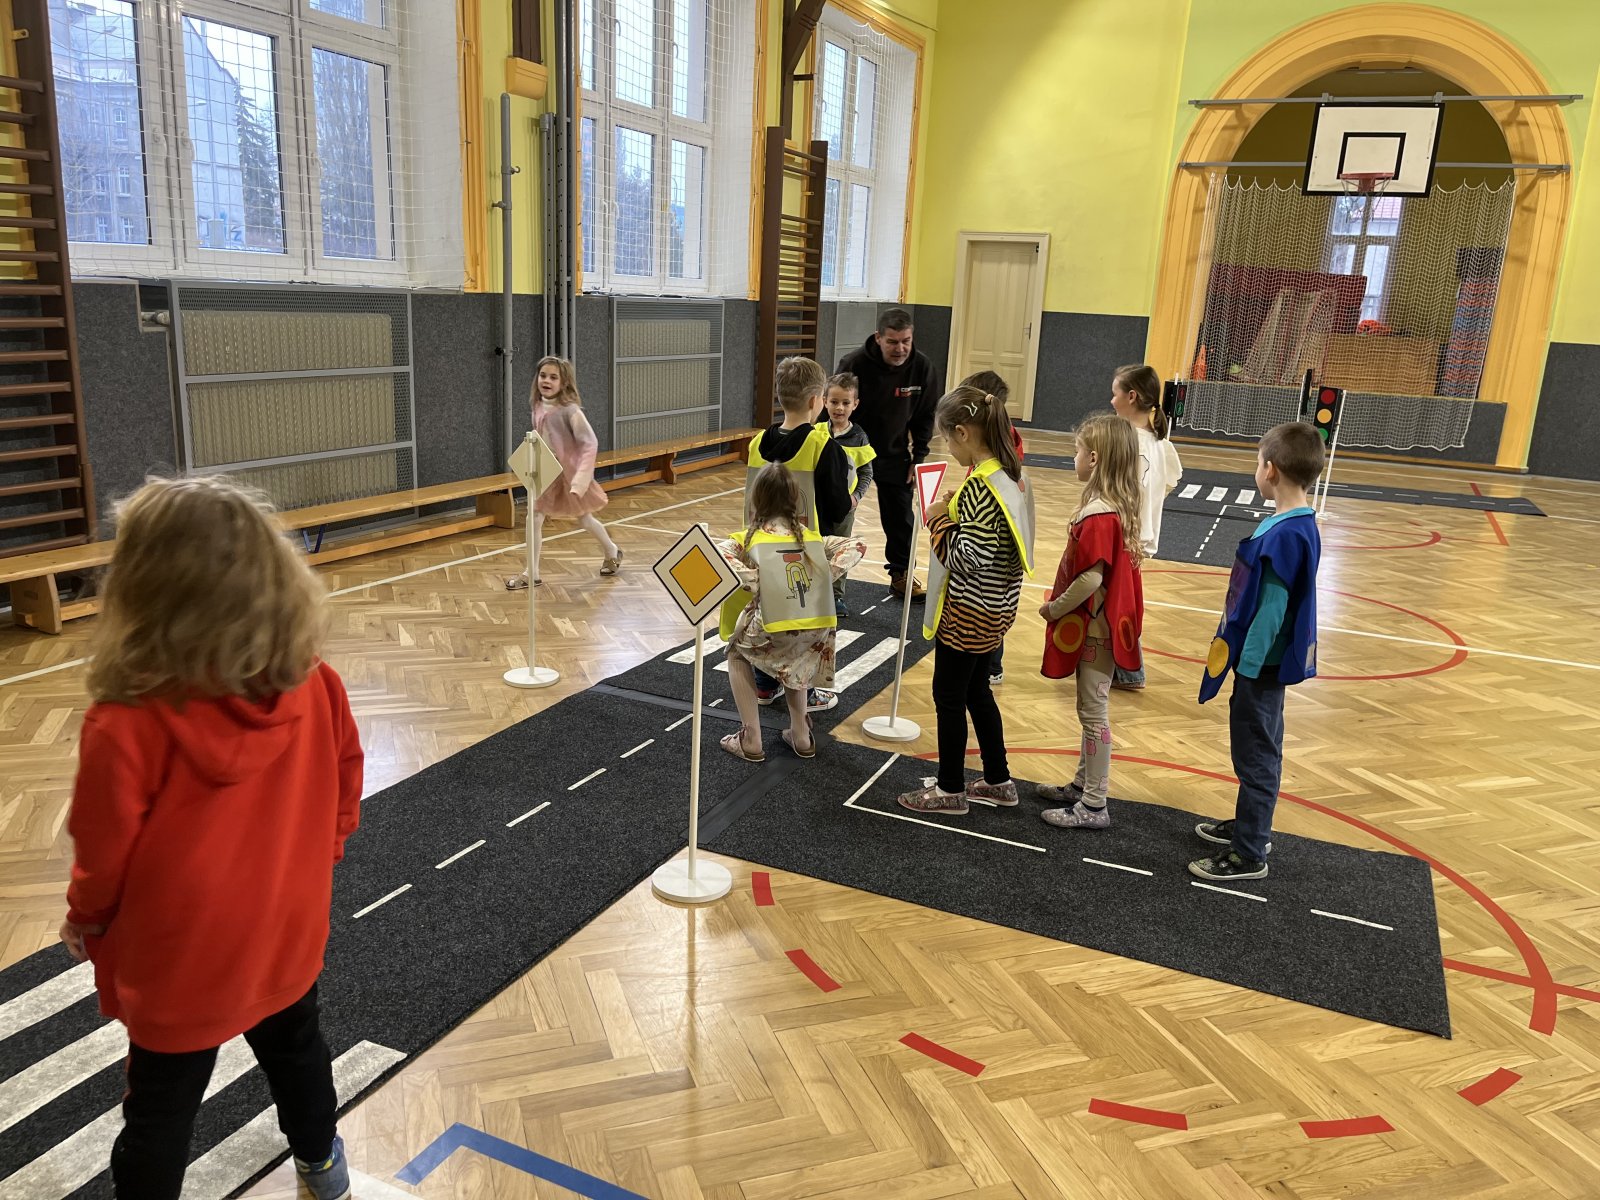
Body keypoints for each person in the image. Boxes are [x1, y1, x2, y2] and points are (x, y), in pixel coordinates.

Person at [58, 476, 364, 1200]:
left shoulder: (126, 721)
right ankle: (324, 1171)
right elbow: (346, 782)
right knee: (299, 1052)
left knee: (161, 1107)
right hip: (286, 925)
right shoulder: (315, 681)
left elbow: (102, 852)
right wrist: (317, 862)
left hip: (182, 957)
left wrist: (85, 918)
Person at [1190, 421, 1324, 881]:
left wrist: (1246, 668)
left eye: (1256, 463)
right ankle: (1252, 825)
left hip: (1260, 665)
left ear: (1270, 471)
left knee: (1256, 754)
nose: (1256, 471)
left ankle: (1249, 852)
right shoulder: (1295, 523)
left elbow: (1272, 609)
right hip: (1262, 662)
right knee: (1260, 748)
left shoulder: (1287, 534)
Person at [897, 386, 1031, 816]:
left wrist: (938, 521)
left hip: (969, 611)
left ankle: (950, 789)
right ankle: (998, 779)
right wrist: (956, 507)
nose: (948, 447)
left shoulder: (979, 487)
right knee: (976, 691)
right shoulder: (1007, 475)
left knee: (949, 697)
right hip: (996, 608)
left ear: (963, 433)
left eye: (947, 439)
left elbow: (968, 558)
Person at [1035, 415, 1144, 829]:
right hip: (1102, 631)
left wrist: (1055, 608)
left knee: (1094, 714)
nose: (1075, 458)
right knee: (1089, 710)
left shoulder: (1099, 515)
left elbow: (1090, 579)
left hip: (1097, 633)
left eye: (1078, 451)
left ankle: (1094, 805)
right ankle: (1083, 786)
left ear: (1094, 458)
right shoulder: (1115, 508)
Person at [716, 463, 865, 762]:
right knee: (798, 661)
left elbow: (719, 551)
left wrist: (758, 581)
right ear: (795, 498)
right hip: (817, 626)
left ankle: (751, 738)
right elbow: (857, 545)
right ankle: (801, 734)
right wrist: (822, 576)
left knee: (736, 652)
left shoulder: (751, 538)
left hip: (773, 625)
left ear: (757, 498)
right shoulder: (811, 537)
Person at [738, 356, 854, 713]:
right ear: (816, 400)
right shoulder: (823, 447)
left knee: (767, 616)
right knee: (803, 627)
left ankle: (763, 685)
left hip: (760, 546)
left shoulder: (757, 442)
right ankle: (807, 691)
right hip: (803, 553)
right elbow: (837, 508)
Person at [837, 307, 942, 600]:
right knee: (837, 514)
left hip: (894, 453)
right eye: (893, 342)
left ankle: (901, 574)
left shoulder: (922, 368)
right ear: (878, 338)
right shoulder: (853, 365)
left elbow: (925, 416)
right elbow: (833, 407)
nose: (900, 349)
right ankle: (830, 581)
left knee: (900, 516)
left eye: (906, 341)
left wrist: (918, 457)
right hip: (852, 450)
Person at [505, 356, 622, 590]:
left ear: (564, 382)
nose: (546, 381)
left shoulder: (570, 411)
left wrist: (580, 479)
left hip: (570, 474)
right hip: (546, 470)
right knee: (534, 517)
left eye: (553, 377)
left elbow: (589, 443)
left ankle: (611, 550)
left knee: (584, 519)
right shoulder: (538, 404)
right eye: (543, 376)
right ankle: (531, 573)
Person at [1109, 364, 1182, 691]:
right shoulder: (1159, 442)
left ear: (1131, 396)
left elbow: (1120, 492)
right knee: (1121, 601)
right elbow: (1169, 482)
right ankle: (1117, 666)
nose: (1111, 401)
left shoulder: (1129, 442)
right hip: (1137, 536)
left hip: (1123, 536)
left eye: (1115, 394)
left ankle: (1129, 671)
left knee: (1119, 603)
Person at [959, 369, 1028, 685]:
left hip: (990, 556)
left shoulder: (996, 453)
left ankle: (989, 667)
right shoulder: (997, 442)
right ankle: (987, 666)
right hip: (998, 551)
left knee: (986, 600)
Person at [817, 371, 875, 618]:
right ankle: (814, 592)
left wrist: (856, 497)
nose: (839, 408)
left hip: (845, 507)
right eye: (834, 402)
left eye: (845, 403)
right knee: (817, 547)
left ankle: (836, 596)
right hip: (819, 506)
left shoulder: (859, 437)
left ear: (855, 404)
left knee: (841, 549)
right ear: (824, 401)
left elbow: (866, 472)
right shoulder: (816, 432)